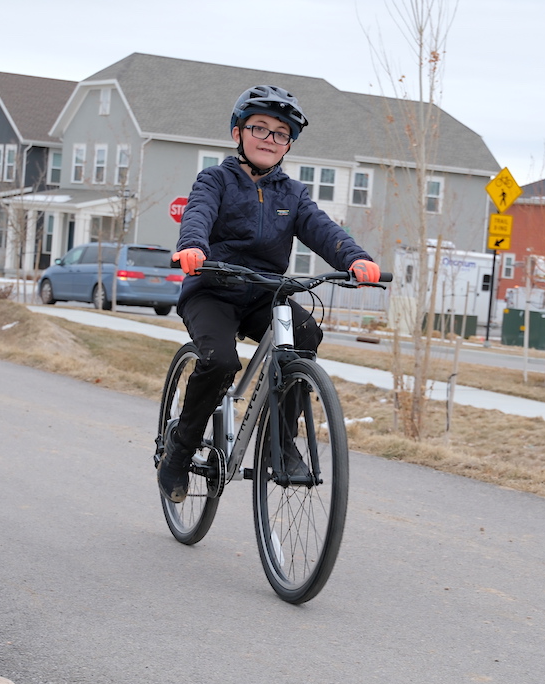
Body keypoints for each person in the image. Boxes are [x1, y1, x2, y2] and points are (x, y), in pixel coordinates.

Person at [157, 84, 381, 503]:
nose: (269, 139)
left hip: (264, 294)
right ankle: (179, 450)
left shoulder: (293, 195)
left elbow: (323, 230)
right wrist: (192, 247)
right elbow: (198, 213)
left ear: (288, 145)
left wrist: (355, 258)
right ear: (237, 133)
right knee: (221, 361)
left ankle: (281, 443)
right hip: (213, 288)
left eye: (281, 133)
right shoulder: (215, 179)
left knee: (306, 334)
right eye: (259, 128)